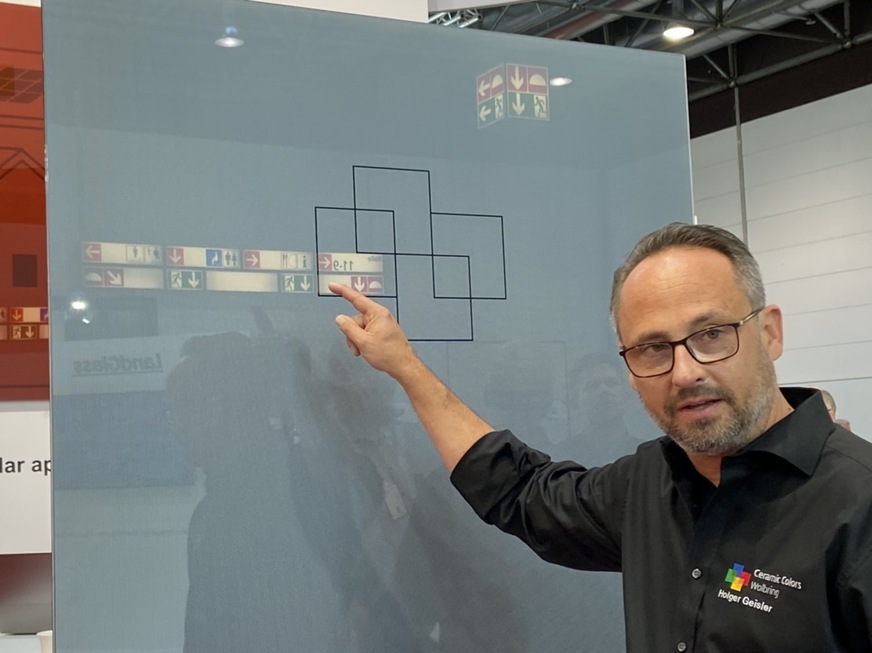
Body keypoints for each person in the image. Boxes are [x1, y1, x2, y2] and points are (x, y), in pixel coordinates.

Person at [327, 222, 872, 652]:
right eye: (653, 349)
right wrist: (405, 367)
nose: (685, 372)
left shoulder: (858, 505)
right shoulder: (650, 485)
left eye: (711, 334)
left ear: (770, 332)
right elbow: (521, 492)